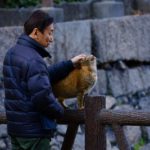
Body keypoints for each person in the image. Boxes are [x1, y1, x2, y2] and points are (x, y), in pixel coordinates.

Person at [3, 10, 86, 150]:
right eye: (50, 32)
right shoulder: (35, 60)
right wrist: (61, 112)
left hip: (16, 131)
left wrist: (69, 64)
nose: (52, 38)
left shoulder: (12, 53)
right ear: (36, 33)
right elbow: (42, 97)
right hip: (34, 134)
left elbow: (41, 76)